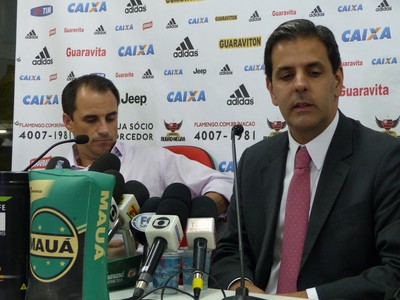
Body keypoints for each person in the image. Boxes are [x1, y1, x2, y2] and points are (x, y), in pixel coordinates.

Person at [210, 19, 400, 299]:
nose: (299, 84)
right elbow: (229, 251)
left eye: (313, 72)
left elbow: (394, 271)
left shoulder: (383, 158)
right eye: (286, 76)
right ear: (271, 90)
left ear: (337, 81)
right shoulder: (253, 160)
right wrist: (246, 290)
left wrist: (303, 299)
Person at [60, 74, 233, 257]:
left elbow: (225, 183)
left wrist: (189, 211)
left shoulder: (154, 160)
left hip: (145, 276)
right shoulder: (53, 178)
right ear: (68, 121)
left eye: (111, 118)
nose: (104, 129)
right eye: (91, 120)